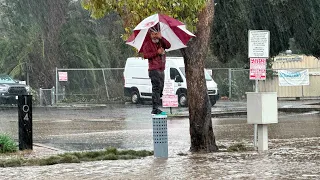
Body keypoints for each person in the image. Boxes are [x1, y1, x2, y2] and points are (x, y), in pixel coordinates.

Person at [142, 24, 171, 115]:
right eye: (153, 34)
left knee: (161, 88)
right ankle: (155, 109)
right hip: (153, 69)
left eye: (157, 33)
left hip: (162, 69)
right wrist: (156, 52)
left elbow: (168, 45)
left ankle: (157, 106)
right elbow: (146, 55)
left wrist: (161, 38)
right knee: (156, 88)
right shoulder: (147, 44)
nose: (155, 36)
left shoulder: (161, 42)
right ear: (150, 34)